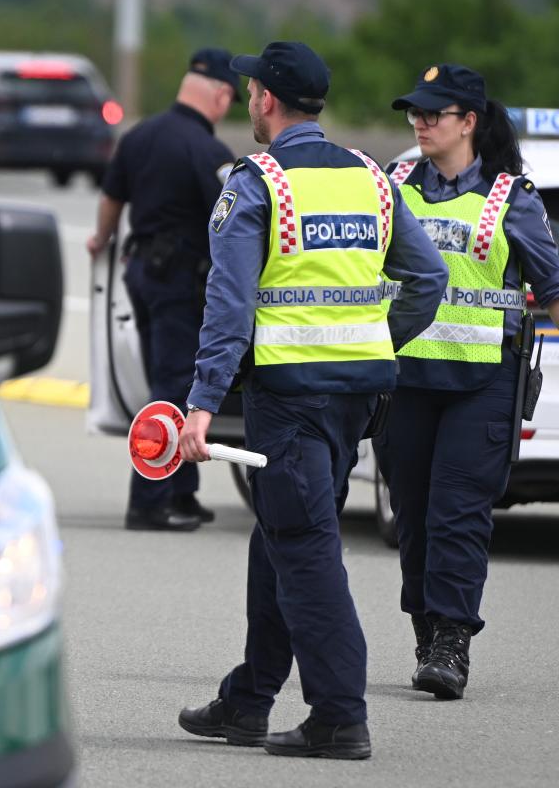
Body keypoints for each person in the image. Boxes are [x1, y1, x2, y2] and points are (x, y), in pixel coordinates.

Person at [173, 41, 446, 760]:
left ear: (264, 99)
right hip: (356, 396)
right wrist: (375, 341)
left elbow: (229, 305)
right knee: (285, 533)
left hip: (289, 397)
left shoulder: (258, 182)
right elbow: (429, 278)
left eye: (252, 90)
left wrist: (201, 403)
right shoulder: (371, 178)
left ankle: (338, 715)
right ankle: (249, 700)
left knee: (305, 546)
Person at [379, 64, 559, 700]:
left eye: (434, 114)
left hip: (483, 382)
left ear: (469, 122)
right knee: (415, 514)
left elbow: (557, 288)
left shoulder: (512, 197)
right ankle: (427, 628)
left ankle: (452, 642)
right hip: (407, 379)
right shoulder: (392, 185)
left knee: (458, 511)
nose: (420, 123)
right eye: (414, 113)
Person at [86, 47, 239, 531]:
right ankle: (148, 501)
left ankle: (182, 494)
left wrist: (100, 240)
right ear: (219, 95)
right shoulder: (206, 150)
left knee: (165, 379)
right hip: (179, 278)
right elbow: (236, 218)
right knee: (175, 386)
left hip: (140, 271)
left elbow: (111, 197)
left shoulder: (139, 135)